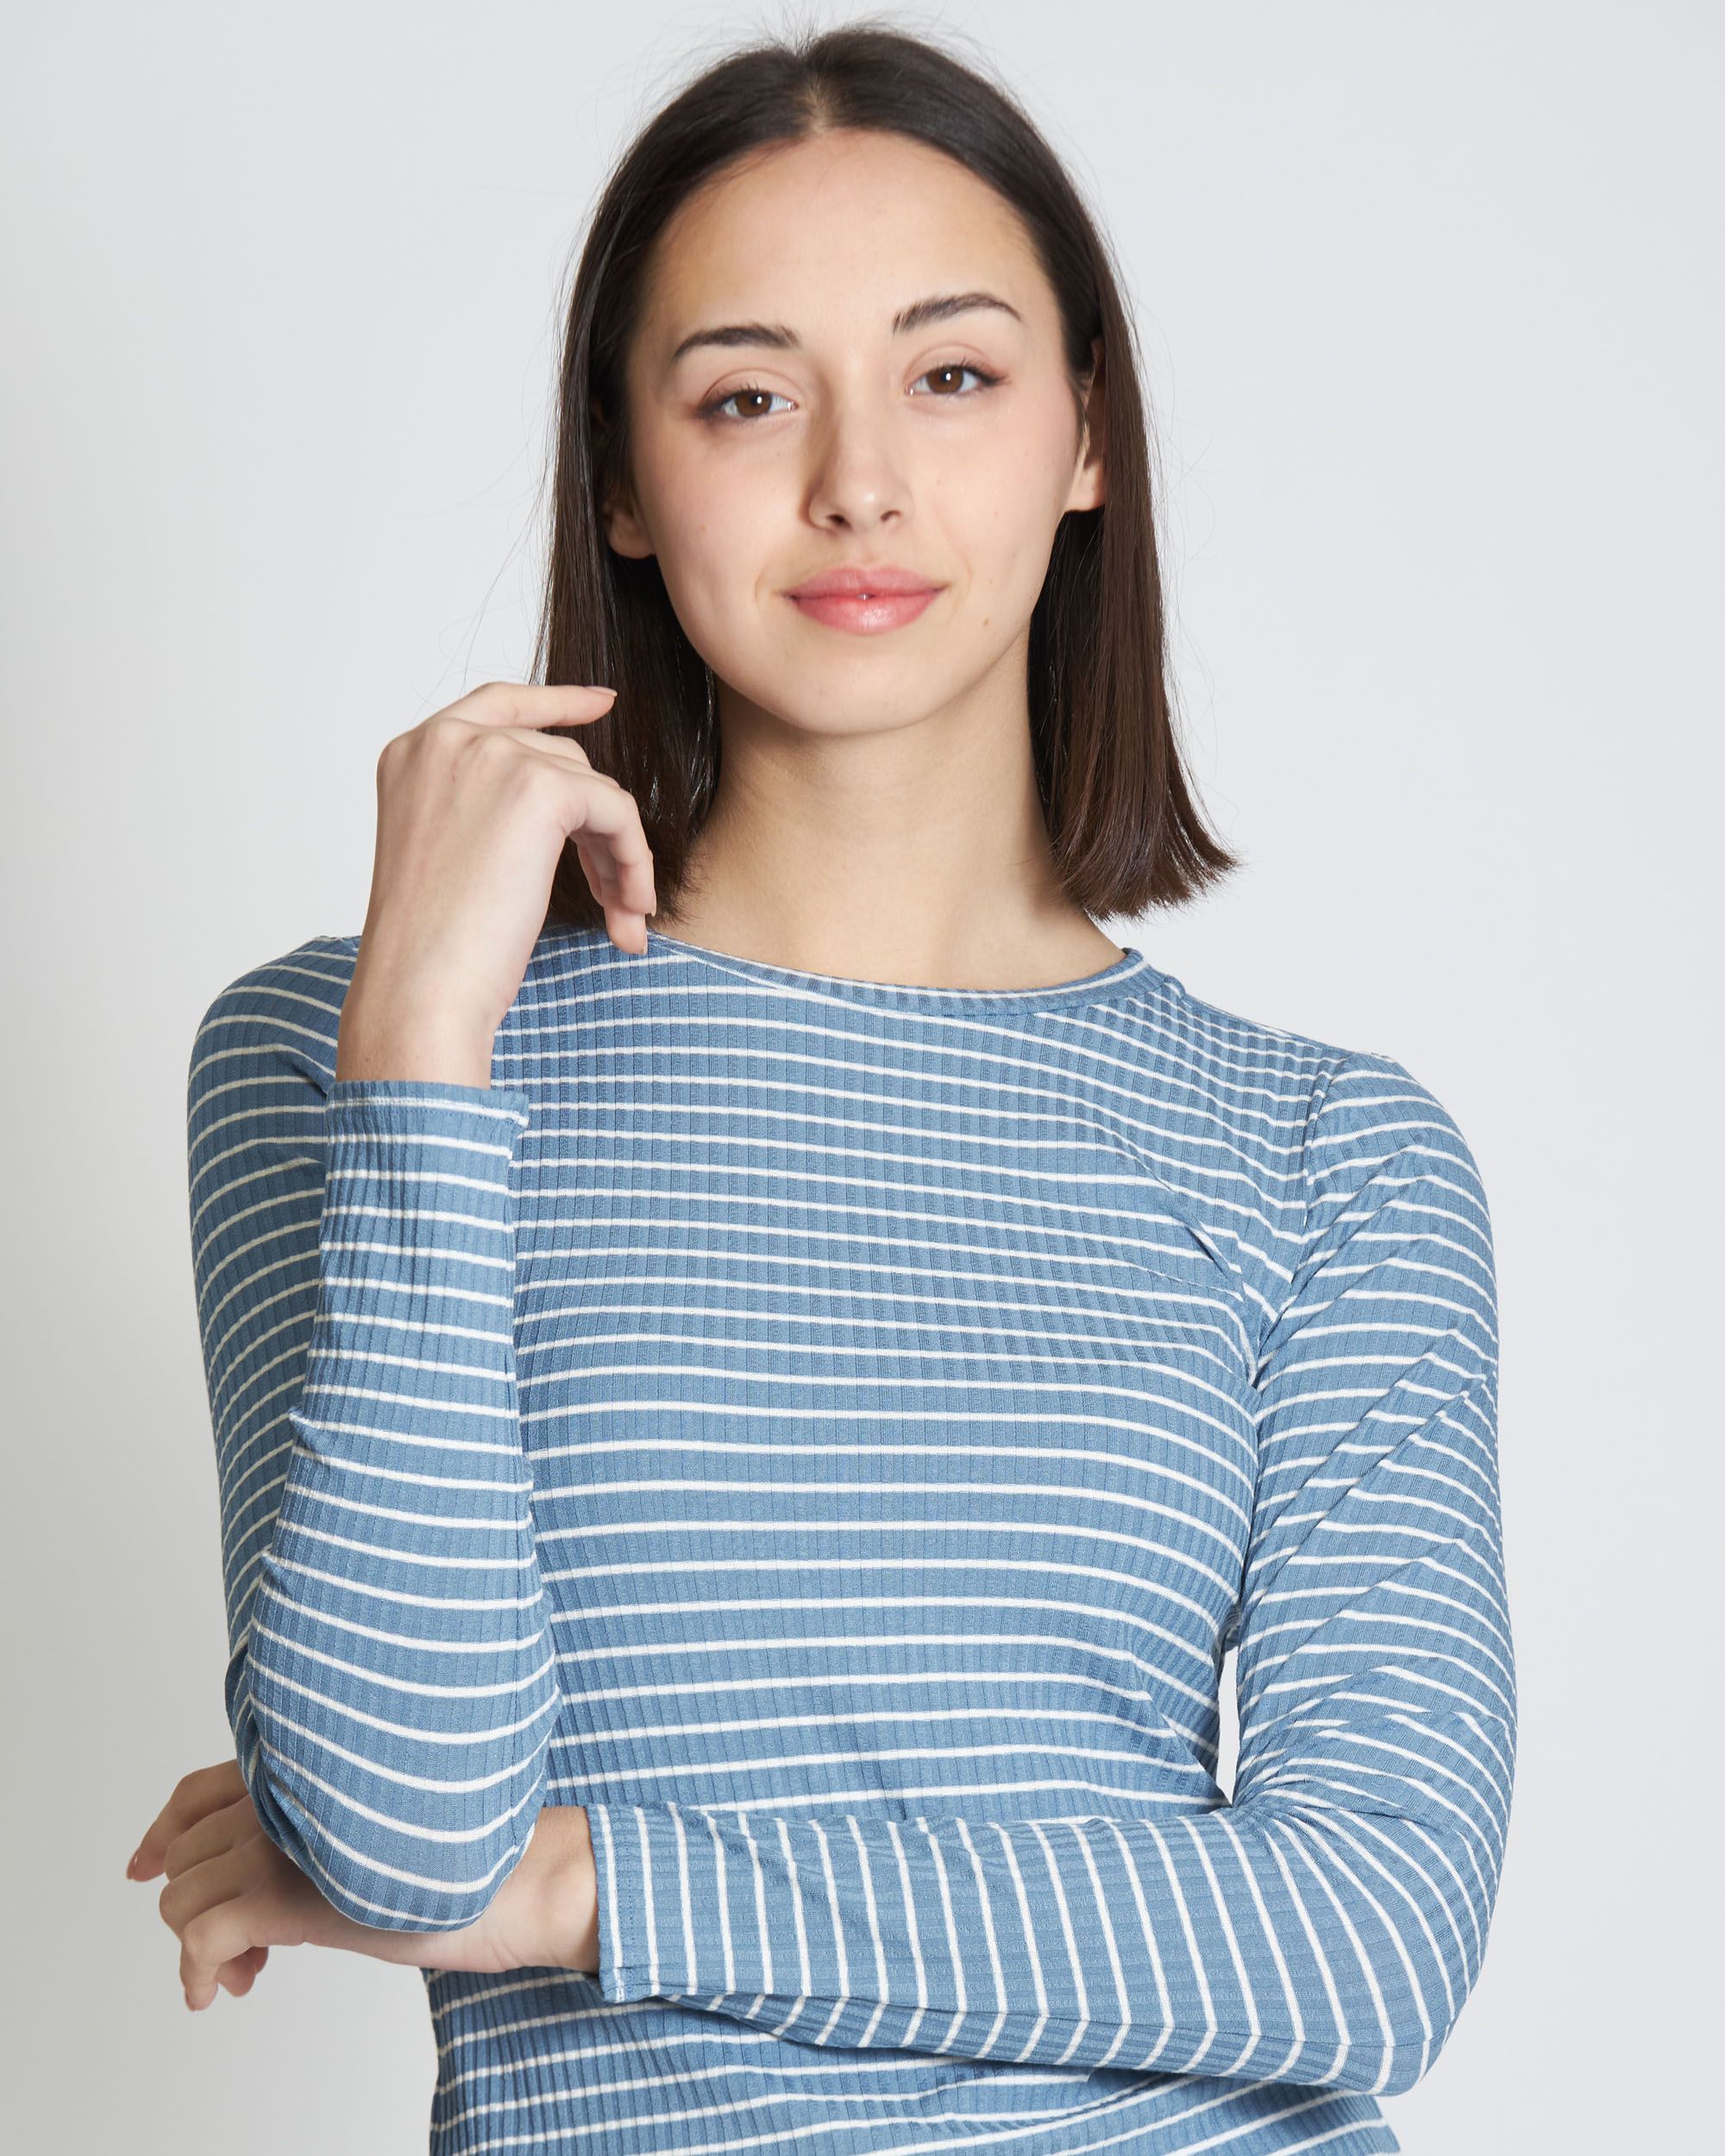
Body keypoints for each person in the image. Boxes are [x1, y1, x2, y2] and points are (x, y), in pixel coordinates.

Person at [133, 23, 1515, 2154]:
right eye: (746, 394)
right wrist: (418, 1039)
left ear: (1083, 435)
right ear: (620, 473)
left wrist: (590, 1885)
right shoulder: (340, 1055)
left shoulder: (1327, 1154)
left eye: (950, 374)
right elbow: (397, 1834)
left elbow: (1364, 1944)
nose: (858, 480)